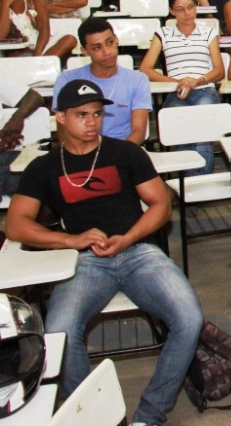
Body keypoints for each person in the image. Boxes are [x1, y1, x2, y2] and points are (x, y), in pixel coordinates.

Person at [7, 80, 203, 426]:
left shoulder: (124, 153)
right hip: (84, 261)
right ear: (60, 118)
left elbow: (161, 204)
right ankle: (97, 419)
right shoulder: (45, 167)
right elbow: (16, 225)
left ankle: (149, 415)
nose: (92, 122)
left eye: (97, 114)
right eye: (81, 115)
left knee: (189, 319)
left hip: (138, 251)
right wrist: (73, 240)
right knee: (61, 333)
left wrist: (128, 238)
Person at [139, 0, 225, 175]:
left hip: (204, 88)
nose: (187, 13)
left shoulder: (209, 33)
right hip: (177, 90)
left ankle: (200, 186)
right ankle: (189, 188)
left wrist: (197, 81)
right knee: (181, 131)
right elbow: (145, 69)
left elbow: (219, 71)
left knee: (202, 133)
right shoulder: (163, 34)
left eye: (191, 7)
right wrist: (176, 81)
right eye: (180, 9)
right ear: (171, 11)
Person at [53, 18, 151, 144]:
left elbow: (138, 131)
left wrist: (116, 158)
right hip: (82, 153)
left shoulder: (138, 80)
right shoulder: (66, 80)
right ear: (85, 51)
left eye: (109, 43)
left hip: (123, 150)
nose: (106, 52)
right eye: (96, 48)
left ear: (116, 40)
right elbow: (64, 133)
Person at [1, 0, 77, 59]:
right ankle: (41, 66)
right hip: (18, 55)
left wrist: (38, 51)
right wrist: (5, 5)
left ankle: (38, 65)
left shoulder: (34, 0)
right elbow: (1, 36)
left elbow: (44, 29)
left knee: (70, 39)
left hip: (41, 48)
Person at [0, 81, 44, 197]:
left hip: (4, 156)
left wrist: (17, 118)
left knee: (46, 167)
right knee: (41, 180)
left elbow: (34, 97)